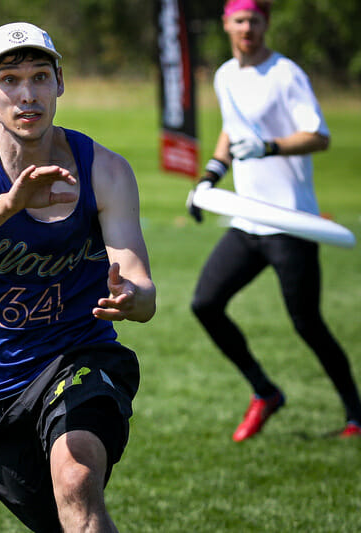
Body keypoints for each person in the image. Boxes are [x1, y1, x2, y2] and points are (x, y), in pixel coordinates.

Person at [0, 22, 156, 533]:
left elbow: (142, 289)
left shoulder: (104, 170)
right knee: (57, 521)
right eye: (10, 80)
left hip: (79, 356)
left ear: (59, 83)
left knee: (76, 480)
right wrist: (9, 204)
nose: (28, 95)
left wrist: (130, 296)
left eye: (41, 77)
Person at [186, 0, 361, 442]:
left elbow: (319, 136)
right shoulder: (225, 74)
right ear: (226, 24)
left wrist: (269, 147)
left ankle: (356, 415)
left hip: (290, 221)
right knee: (205, 304)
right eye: (240, 20)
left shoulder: (286, 74)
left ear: (265, 25)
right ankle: (265, 392)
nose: (247, 28)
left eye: (255, 21)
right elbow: (232, 128)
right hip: (248, 220)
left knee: (307, 323)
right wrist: (210, 176)